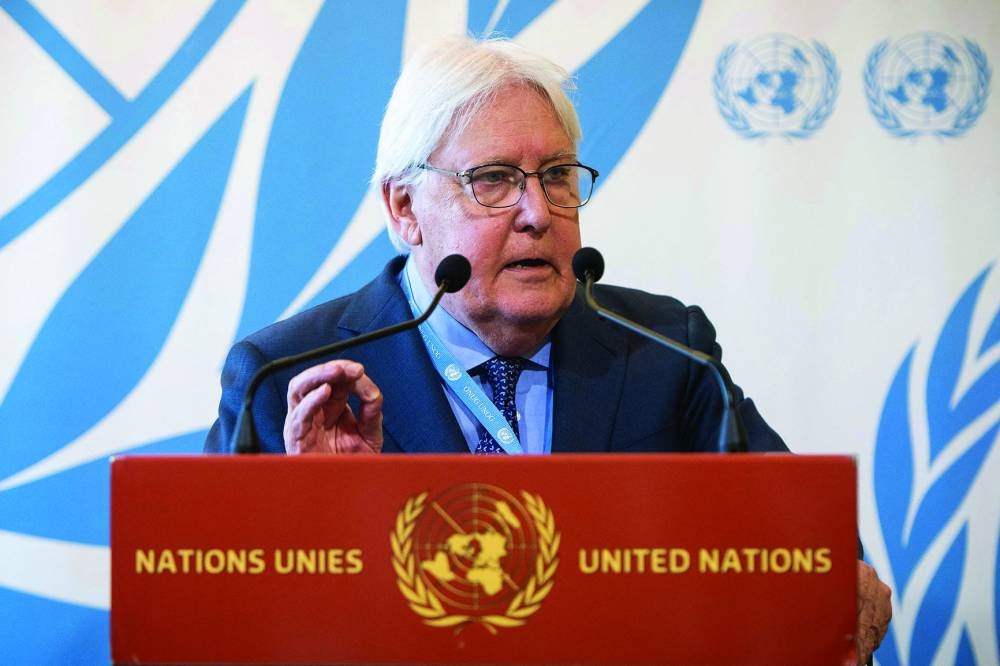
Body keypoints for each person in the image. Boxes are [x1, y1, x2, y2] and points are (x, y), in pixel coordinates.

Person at [204, 35, 890, 662]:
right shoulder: (288, 381)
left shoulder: (664, 352)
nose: (538, 212)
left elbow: (818, 555)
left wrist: (824, 600)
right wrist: (319, 523)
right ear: (404, 208)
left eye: (557, 175)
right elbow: (213, 623)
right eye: (493, 179)